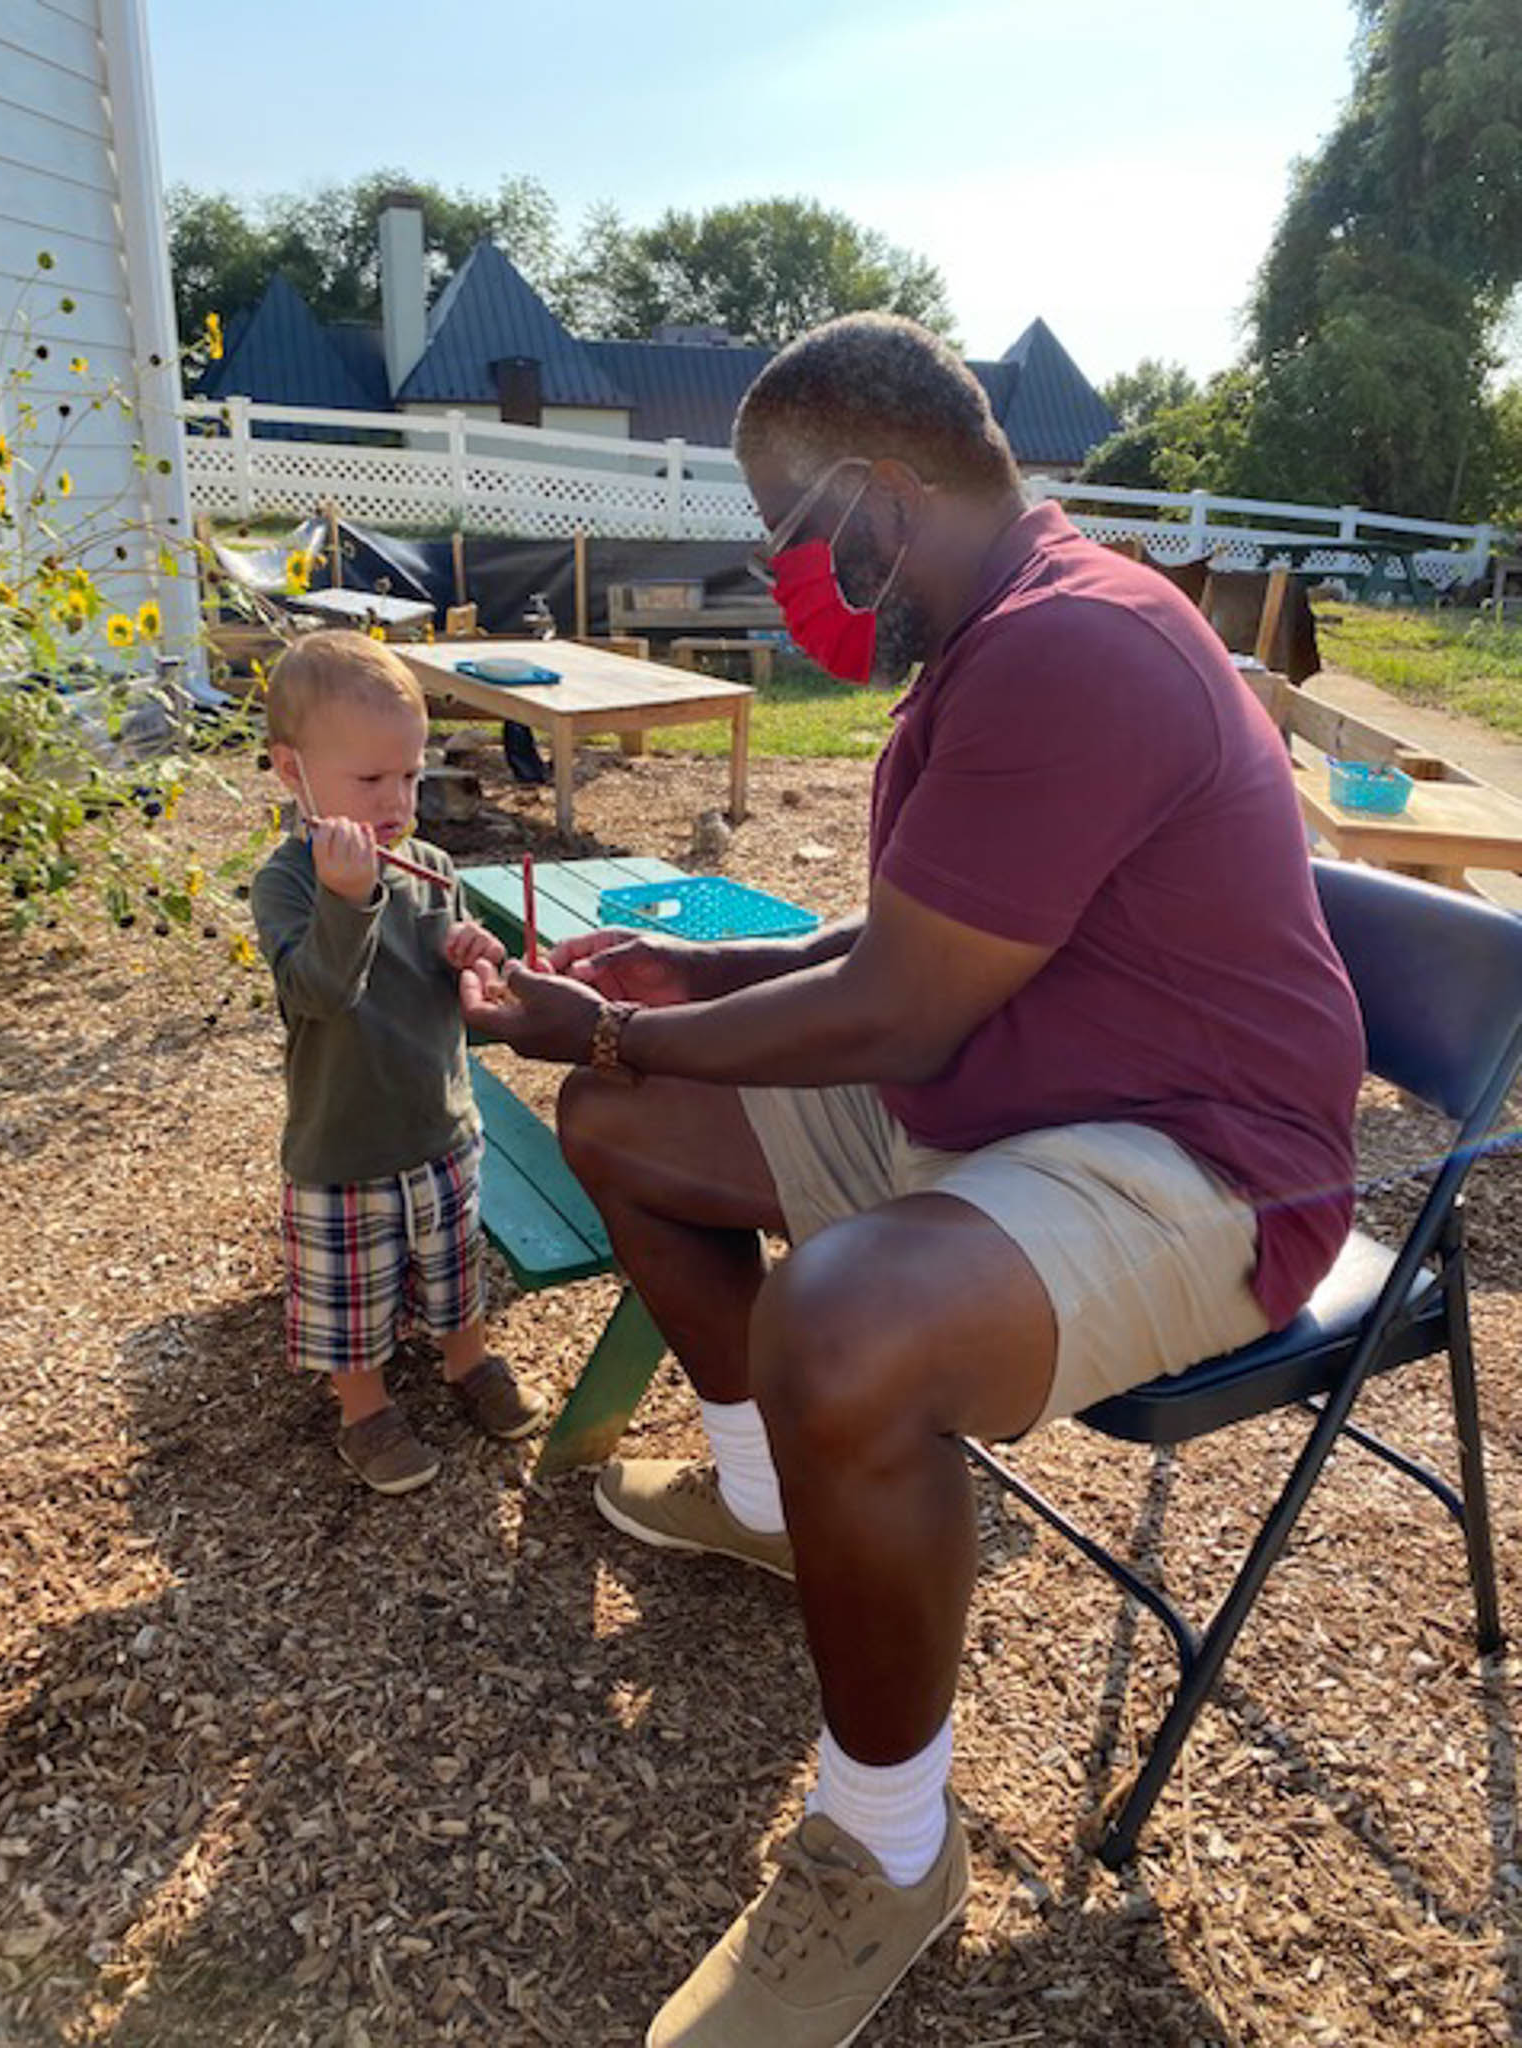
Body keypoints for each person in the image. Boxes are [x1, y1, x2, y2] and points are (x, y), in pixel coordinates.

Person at [457, 315, 1365, 2047]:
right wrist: (696, 980)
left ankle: (886, 1845)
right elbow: (927, 936)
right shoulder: (1009, 637)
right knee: (623, 1139)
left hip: (1199, 1153)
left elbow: (904, 1001)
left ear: (878, 496)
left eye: (791, 536)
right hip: (1016, 1082)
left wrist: (614, 1027)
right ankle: (775, 1502)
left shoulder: (1069, 649)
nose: (794, 578)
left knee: (841, 1322)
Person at [251, 630, 545, 1495]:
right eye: (369, 780)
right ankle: (364, 1407)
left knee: (453, 1267)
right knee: (351, 1296)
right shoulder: (290, 884)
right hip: (342, 1144)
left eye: (409, 776)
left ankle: (467, 1361)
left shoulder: (433, 867)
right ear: (291, 772)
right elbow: (317, 995)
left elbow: (442, 983)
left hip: (440, 1123)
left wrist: (474, 953)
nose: (396, 800)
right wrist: (349, 902)